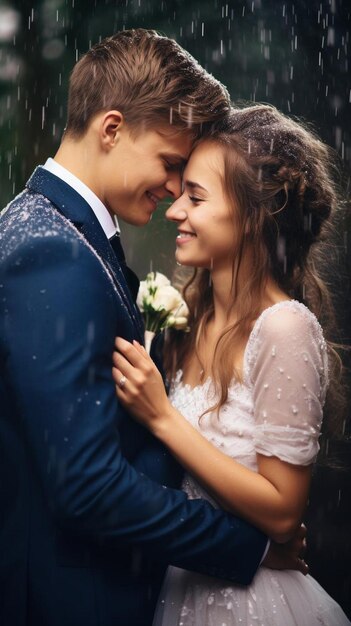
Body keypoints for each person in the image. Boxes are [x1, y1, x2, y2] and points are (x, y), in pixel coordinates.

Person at [0, 31, 308, 626]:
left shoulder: (52, 231)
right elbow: (86, 485)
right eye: (171, 165)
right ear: (111, 129)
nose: (172, 191)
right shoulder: (52, 250)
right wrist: (253, 547)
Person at [113, 103, 350, 625]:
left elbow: (284, 512)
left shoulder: (284, 327)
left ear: (253, 215)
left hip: (254, 603)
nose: (175, 210)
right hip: (181, 587)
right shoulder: (188, 319)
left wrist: (161, 417)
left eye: (196, 197)